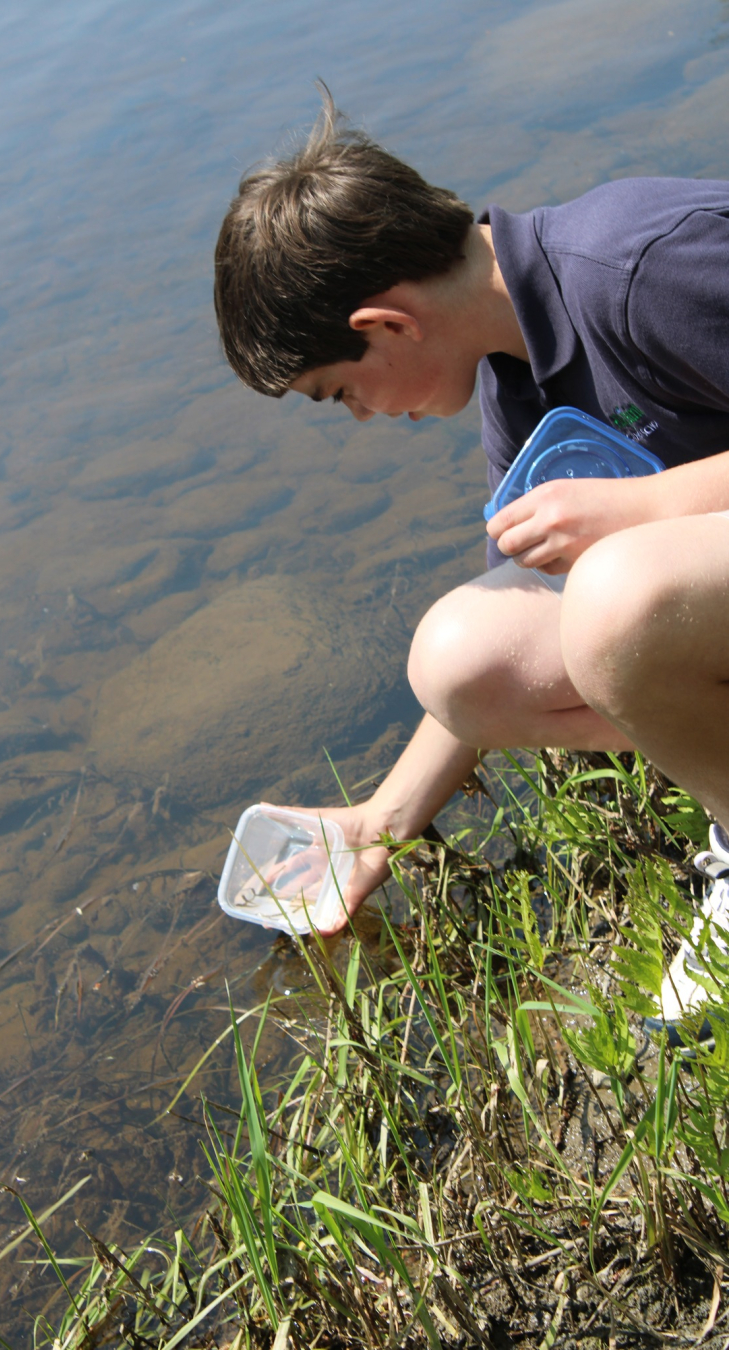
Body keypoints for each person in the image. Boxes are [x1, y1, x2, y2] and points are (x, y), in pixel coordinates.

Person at [213, 95, 729, 1043]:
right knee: (464, 653)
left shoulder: (641, 266)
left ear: (389, 325)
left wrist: (649, 507)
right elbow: (527, 624)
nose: (363, 416)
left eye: (341, 394)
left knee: (616, 597)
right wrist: (378, 824)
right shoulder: (517, 378)